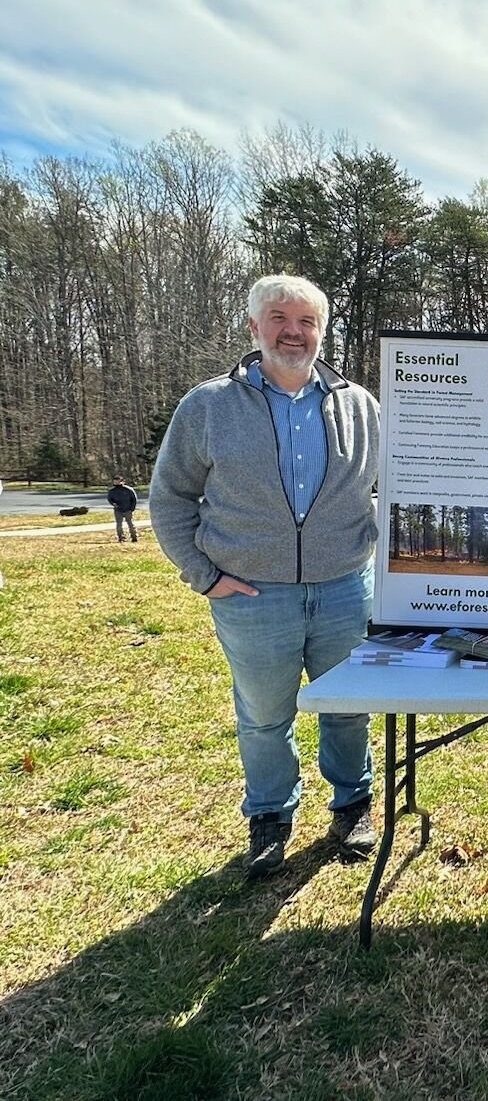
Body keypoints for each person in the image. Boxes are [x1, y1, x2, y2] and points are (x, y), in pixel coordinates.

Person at [150, 274, 380, 881]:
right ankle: (270, 816)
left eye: (306, 322)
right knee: (262, 715)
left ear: (322, 333)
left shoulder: (359, 404)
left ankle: (353, 803)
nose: (293, 332)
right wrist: (203, 575)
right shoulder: (209, 406)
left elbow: (393, 492)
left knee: (349, 706)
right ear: (254, 327)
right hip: (252, 596)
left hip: (343, 588)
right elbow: (171, 497)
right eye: (279, 318)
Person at [106, 476, 138, 543]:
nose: (116, 482)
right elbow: (109, 499)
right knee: (119, 525)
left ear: (122, 481)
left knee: (130, 523)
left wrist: (132, 508)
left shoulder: (128, 490)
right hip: (118, 510)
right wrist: (113, 503)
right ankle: (121, 538)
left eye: (118, 481)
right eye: (115, 481)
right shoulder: (112, 491)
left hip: (128, 509)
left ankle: (134, 537)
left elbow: (134, 499)